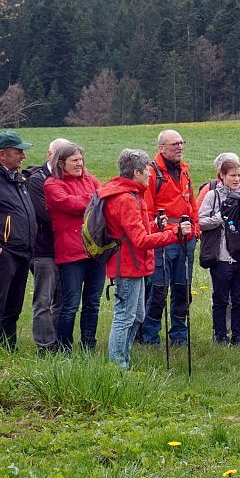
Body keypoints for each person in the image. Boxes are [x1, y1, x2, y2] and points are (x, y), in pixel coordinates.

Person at [100, 149, 189, 370]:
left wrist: (154, 226)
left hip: (134, 265)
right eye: (147, 171)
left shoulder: (129, 195)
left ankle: (123, 361)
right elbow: (139, 240)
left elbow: (131, 233)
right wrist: (175, 233)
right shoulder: (126, 199)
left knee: (137, 316)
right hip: (127, 266)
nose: (150, 175)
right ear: (136, 173)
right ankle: (118, 366)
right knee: (125, 317)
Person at [44, 142, 105, 352]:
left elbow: (104, 196)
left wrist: (94, 199)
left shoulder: (89, 179)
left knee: (93, 303)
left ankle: (88, 345)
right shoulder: (52, 184)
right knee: (70, 305)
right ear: (62, 163)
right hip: (71, 254)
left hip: (95, 251)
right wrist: (94, 199)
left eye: (81, 159)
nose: (80, 163)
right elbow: (70, 204)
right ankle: (64, 348)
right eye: (74, 160)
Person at [141, 129, 199, 347]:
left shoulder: (184, 171)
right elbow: (147, 209)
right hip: (163, 240)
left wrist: (195, 230)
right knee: (158, 290)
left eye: (181, 143)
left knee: (183, 289)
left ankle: (179, 335)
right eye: (175, 144)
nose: (180, 147)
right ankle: (150, 336)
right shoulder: (152, 173)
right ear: (161, 148)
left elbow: (192, 204)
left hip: (186, 238)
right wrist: (158, 233)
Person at [198, 157, 240, 344]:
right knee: (220, 298)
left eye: (239, 175)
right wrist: (221, 217)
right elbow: (201, 222)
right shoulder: (212, 196)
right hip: (221, 256)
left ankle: (238, 336)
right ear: (222, 175)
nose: (237, 179)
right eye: (232, 176)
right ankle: (220, 335)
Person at [25, 137, 68, 354]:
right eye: (60, 155)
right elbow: (44, 214)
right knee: (44, 299)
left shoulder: (68, 179)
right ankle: (44, 346)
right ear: (50, 155)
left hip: (64, 249)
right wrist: (70, 213)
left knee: (62, 299)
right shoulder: (37, 179)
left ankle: (57, 342)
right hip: (43, 249)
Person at [0, 130, 36, 351]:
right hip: (5, 252)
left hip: (23, 251)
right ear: (2, 154)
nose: (23, 156)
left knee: (14, 305)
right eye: (18, 152)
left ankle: (9, 348)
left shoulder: (17, 179)